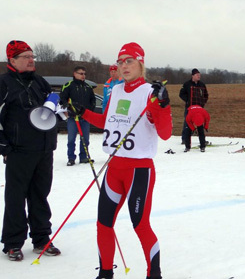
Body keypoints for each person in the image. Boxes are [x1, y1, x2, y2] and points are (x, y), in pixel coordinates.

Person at [74, 42, 172, 279]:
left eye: (129, 61)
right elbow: (106, 121)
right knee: (103, 224)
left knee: (140, 225)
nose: (124, 66)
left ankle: (154, 274)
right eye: (120, 62)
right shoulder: (116, 90)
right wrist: (83, 113)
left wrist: (163, 106)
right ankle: (105, 273)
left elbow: (166, 133)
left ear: (141, 64)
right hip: (114, 167)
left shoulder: (150, 92)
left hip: (139, 169)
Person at [0, 40, 61, 261]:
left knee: (40, 195)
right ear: (12, 60)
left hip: (44, 149)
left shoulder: (40, 82)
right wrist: (4, 145)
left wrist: (60, 105)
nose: (31, 60)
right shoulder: (4, 84)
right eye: (25, 56)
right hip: (18, 150)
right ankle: (13, 243)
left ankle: (41, 238)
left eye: (32, 56)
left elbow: (51, 110)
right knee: (16, 197)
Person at [59, 66, 96, 166]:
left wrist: (90, 110)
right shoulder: (69, 85)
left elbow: (93, 100)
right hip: (73, 118)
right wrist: (68, 107)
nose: (83, 76)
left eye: (84, 74)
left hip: (85, 117)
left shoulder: (88, 86)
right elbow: (62, 98)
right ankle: (71, 158)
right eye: (81, 73)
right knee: (71, 139)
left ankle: (84, 157)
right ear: (75, 74)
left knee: (85, 139)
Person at [179, 68, 208, 152]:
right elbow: (181, 94)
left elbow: (206, 94)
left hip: (199, 109)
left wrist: (203, 102)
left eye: (199, 75)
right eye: (197, 75)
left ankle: (202, 143)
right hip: (189, 108)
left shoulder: (202, 84)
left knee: (200, 125)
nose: (199, 76)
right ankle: (185, 140)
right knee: (187, 124)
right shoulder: (187, 84)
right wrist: (187, 100)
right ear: (193, 76)